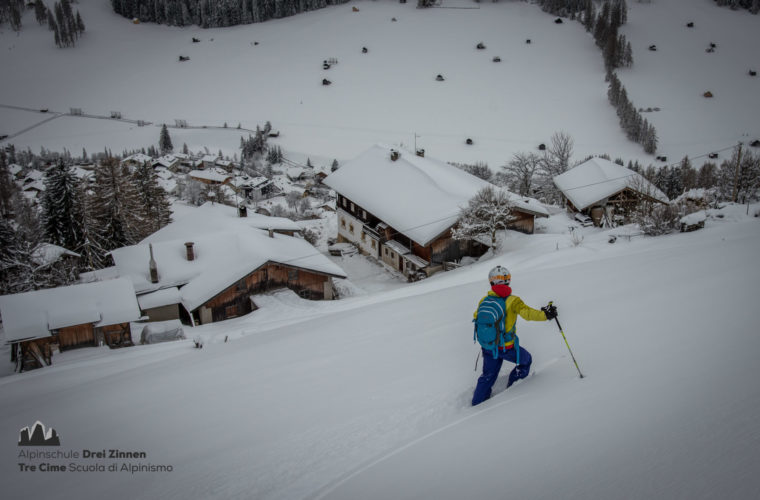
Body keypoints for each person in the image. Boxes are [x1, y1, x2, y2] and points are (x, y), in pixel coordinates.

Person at [471, 265, 557, 406]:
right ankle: (513, 390)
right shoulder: (514, 301)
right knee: (526, 360)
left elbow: (477, 317)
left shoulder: (484, 300)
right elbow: (528, 314)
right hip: (506, 347)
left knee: (488, 375)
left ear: (491, 282)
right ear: (508, 281)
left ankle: (477, 403)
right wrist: (546, 315)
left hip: (488, 346)